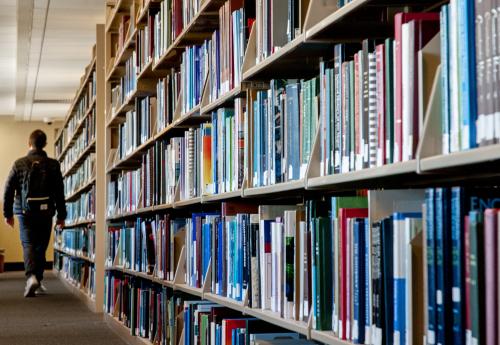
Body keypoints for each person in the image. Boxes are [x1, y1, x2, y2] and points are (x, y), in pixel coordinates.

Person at [3, 129, 66, 297]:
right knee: (40, 246)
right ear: (45, 144)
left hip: (24, 212)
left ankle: (31, 277)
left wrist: (7, 214)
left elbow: (8, 190)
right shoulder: (53, 165)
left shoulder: (19, 163)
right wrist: (61, 215)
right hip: (46, 213)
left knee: (28, 243)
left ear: (29, 144)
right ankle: (37, 279)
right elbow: (59, 191)